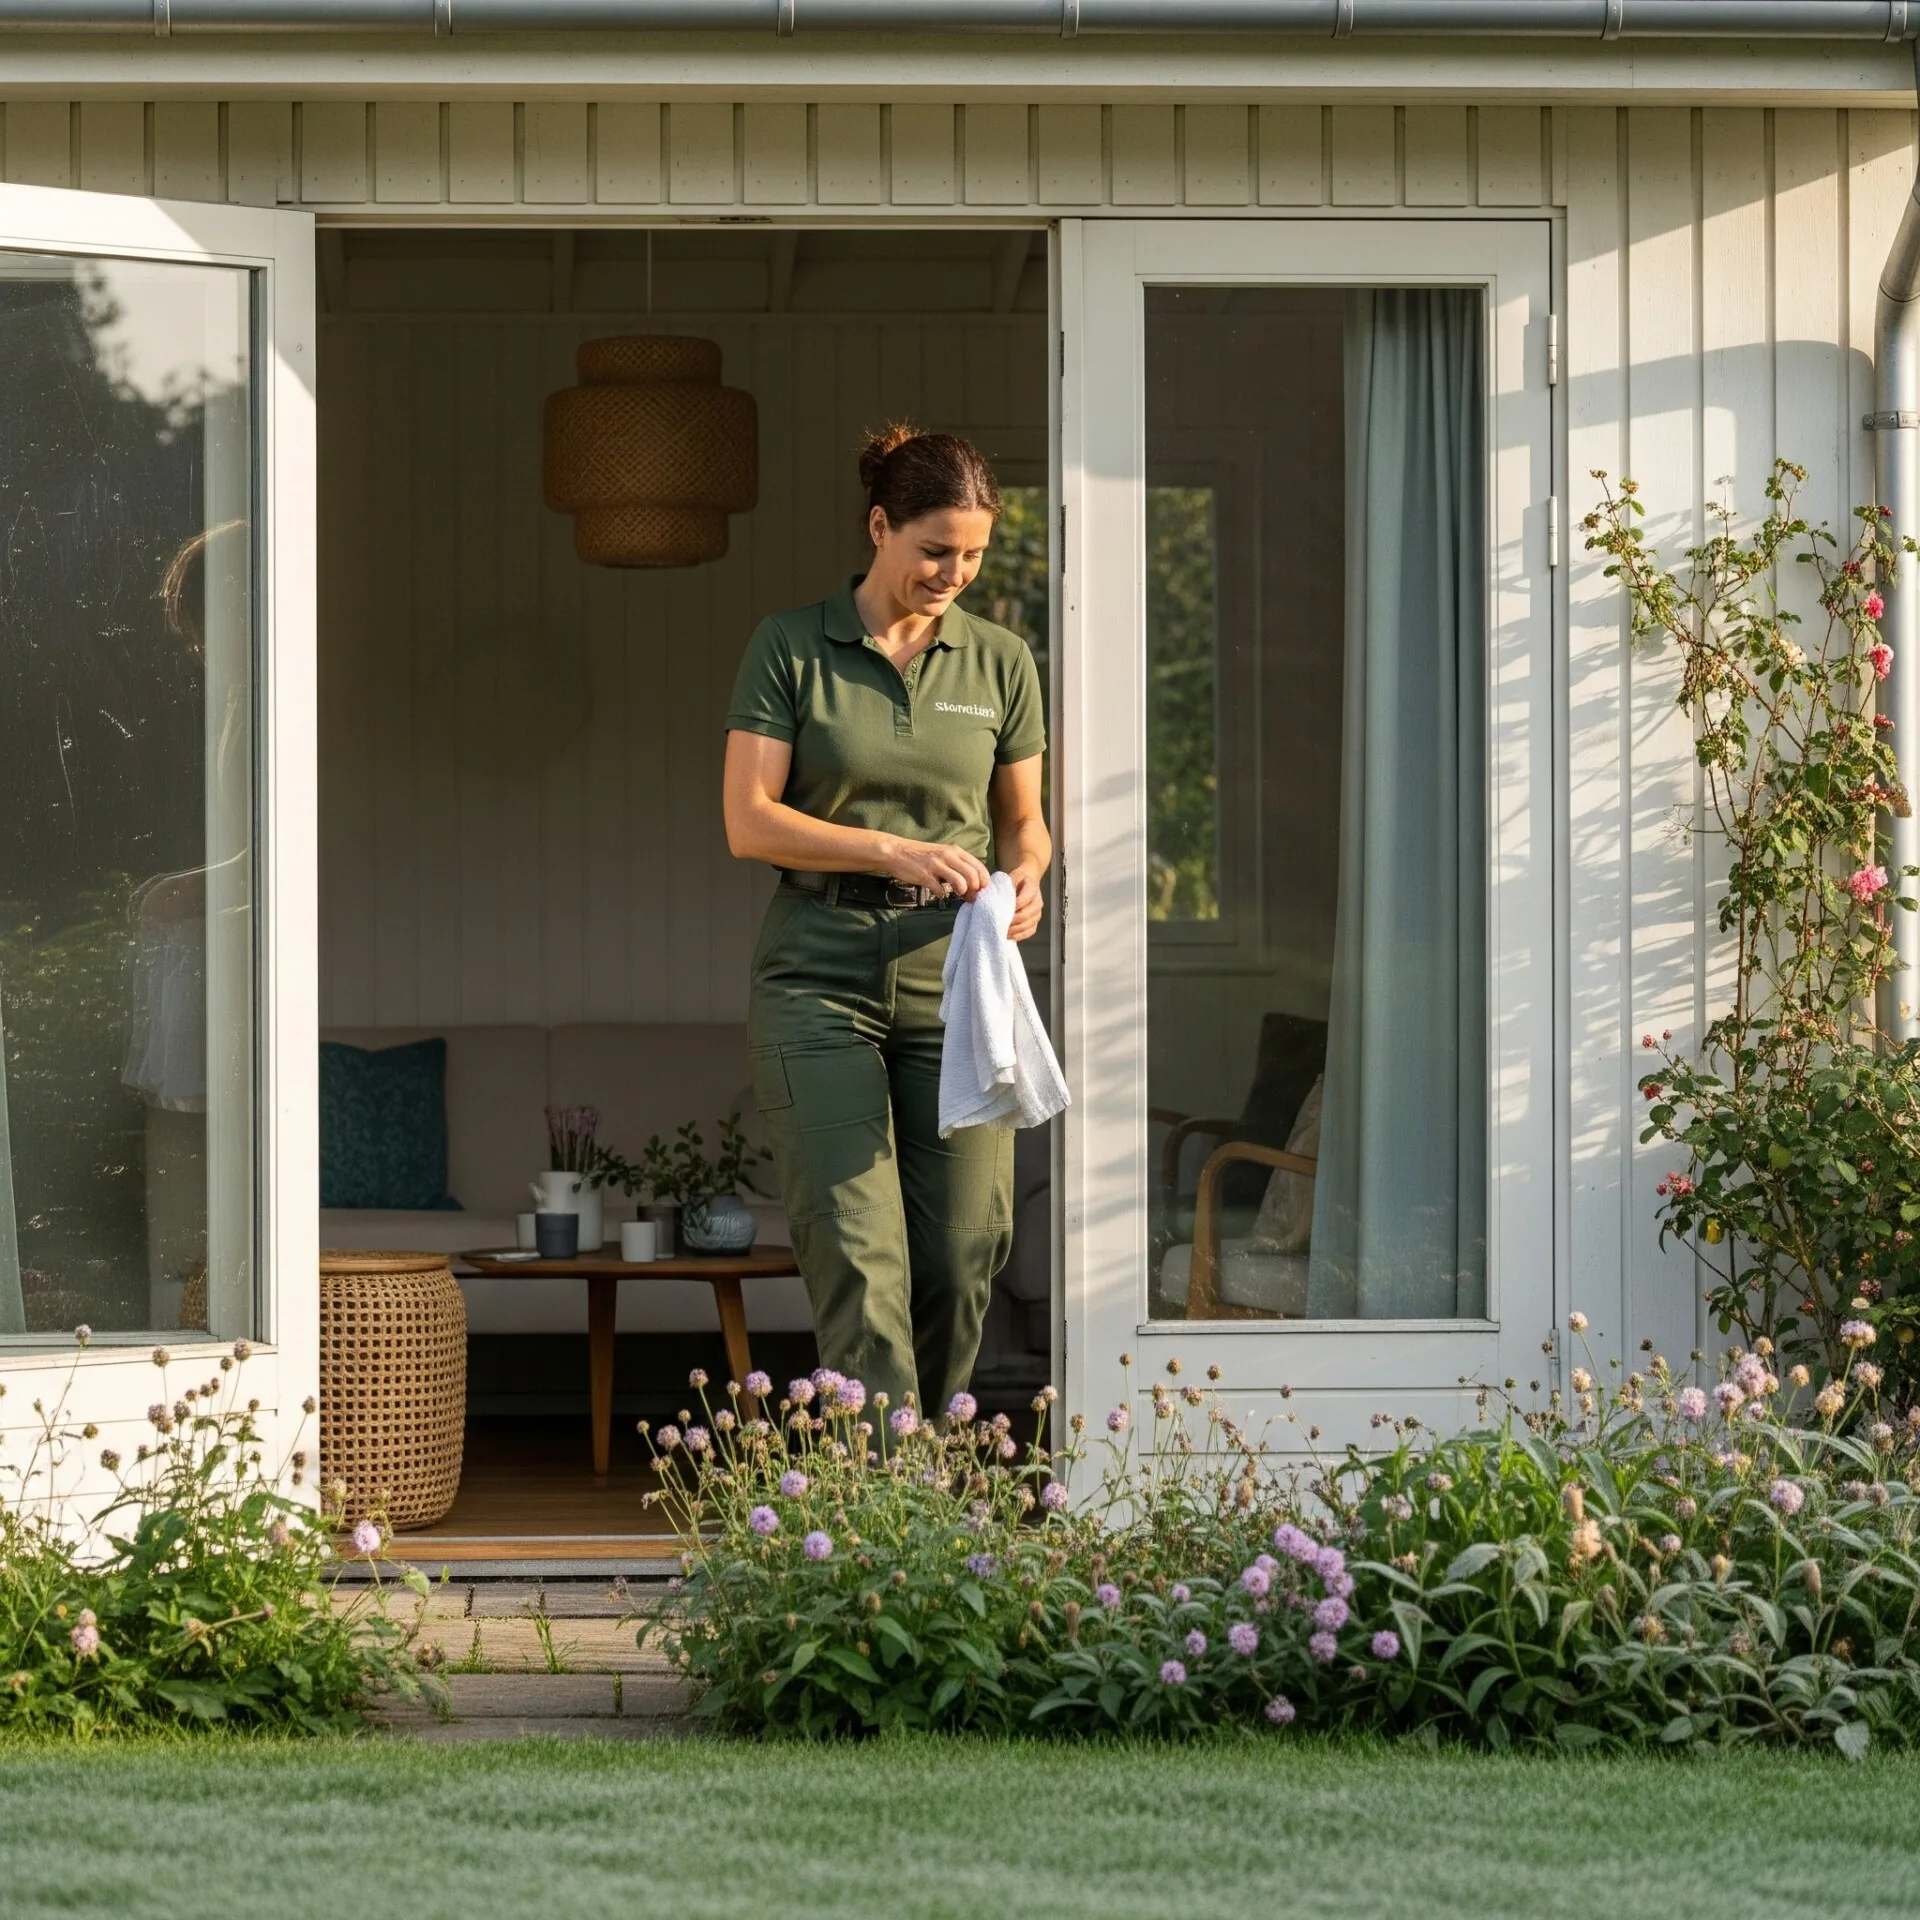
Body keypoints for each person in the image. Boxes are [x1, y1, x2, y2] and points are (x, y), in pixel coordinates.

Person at [722, 424, 1050, 1420]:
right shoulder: (790, 646)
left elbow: (1024, 822)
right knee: (859, 1256)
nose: (955, 572)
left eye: (974, 555)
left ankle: (924, 1465)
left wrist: (1026, 878)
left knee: (962, 1248)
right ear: (880, 526)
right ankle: (889, 1506)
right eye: (935, 550)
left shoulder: (998, 662)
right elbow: (750, 821)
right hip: (818, 977)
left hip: (955, 977)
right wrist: (890, 851)